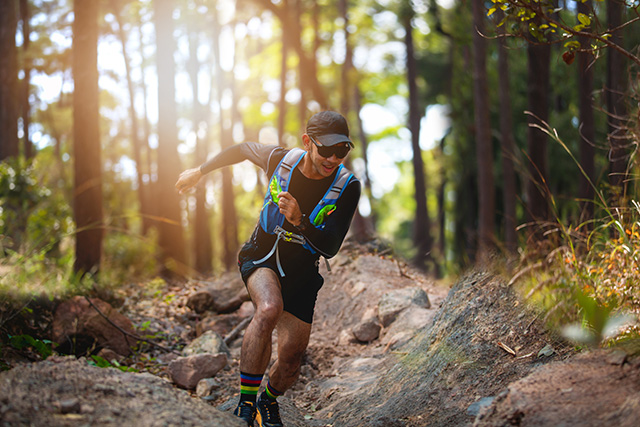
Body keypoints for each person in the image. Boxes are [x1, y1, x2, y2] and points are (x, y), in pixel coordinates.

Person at [175, 111, 361, 427]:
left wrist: (301, 221)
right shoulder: (280, 159)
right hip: (260, 256)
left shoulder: (348, 186)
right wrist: (201, 170)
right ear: (307, 142)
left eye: (341, 150)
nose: (333, 157)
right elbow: (243, 149)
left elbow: (330, 246)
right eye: (325, 149)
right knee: (269, 308)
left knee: (290, 362)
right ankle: (246, 405)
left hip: (302, 273)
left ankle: (268, 401)